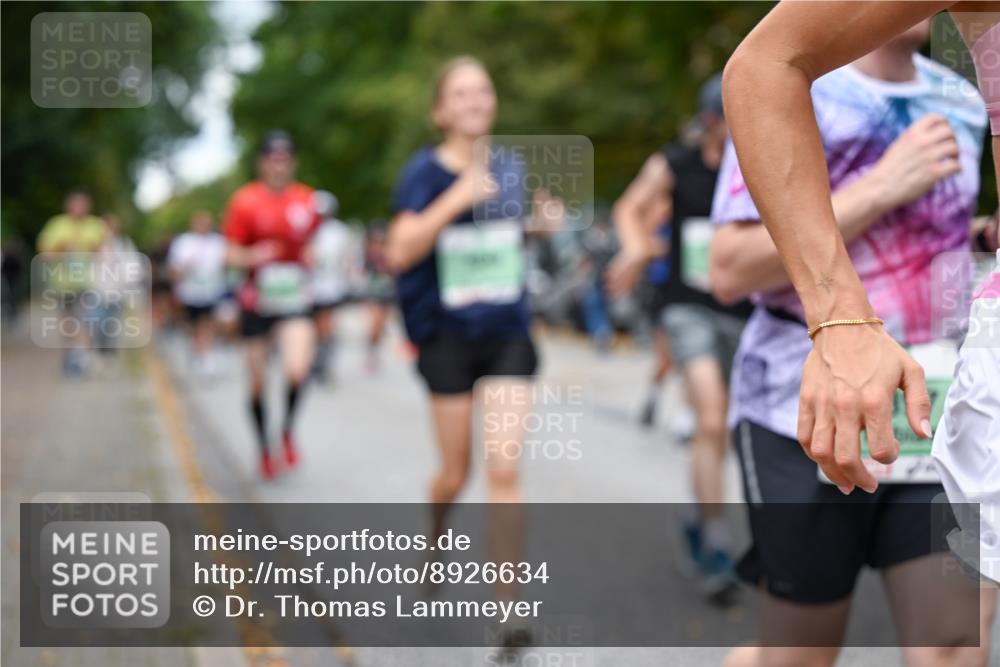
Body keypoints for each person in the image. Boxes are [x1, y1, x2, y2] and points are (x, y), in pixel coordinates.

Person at [721, 9, 996, 666]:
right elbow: (728, 268)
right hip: (808, 407)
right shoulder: (810, 89)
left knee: (953, 647)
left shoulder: (956, 95)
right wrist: (880, 188)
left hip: (929, 407)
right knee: (799, 656)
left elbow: (931, 244)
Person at [386, 56, 560, 651]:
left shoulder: (511, 168)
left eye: (482, 90)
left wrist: (540, 226)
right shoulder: (423, 172)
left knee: (504, 467)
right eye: (459, 93)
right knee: (455, 474)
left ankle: (507, 612)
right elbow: (401, 249)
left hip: (507, 330)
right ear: (440, 110)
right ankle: (435, 537)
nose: (473, 100)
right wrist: (456, 197)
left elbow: (502, 238)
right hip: (447, 337)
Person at [608, 75, 753, 601]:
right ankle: (717, 541)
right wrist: (634, 247)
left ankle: (695, 515)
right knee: (710, 416)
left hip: (742, 308)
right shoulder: (676, 163)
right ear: (712, 121)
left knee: (733, 425)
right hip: (687, 306)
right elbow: (629, 208)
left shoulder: (757, 166)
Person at [223, 130, 321, 479]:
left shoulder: (308, 199)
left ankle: (288, 430)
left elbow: (313, 244)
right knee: (258, 384)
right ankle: (265, 447)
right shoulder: (244, 201)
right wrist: (254, 255)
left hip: (294, 297)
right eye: (272, 159)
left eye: (285, 159)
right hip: (257, 301)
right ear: (261, 162)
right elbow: (230, 254)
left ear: (292, 161)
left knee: (297, 370)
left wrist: (313, 254)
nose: (278, 166)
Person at [36, 190, 106, 377]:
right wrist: (61, 250)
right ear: (68, 206)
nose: (79, 209)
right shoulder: (57, 225)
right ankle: (73, 355)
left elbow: (103, 251)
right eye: (76, 205)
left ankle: (82, 356)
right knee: (68, 320)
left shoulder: (95, 225)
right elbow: (44, 253)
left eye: (83, 205)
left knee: (85, 319)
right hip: (63, 284)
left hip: (88, 282)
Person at [168, 210, 228, 377]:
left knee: (207, 323)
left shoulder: (218, 242)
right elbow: (173, 269)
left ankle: (206, 357)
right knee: (195, 326)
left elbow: (227, 262)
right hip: (189, 293)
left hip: (212, 291)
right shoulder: (183, 242)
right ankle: (198, 352)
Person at [309, 192, 354, 384]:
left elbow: (347, 258)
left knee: (327, 325)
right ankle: (312, 360)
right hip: (309, 287)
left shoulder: (339, 232)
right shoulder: (306, 229)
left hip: (331, 286)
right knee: (311, 327)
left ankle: (324, 363)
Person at [362, 221, 395, 373]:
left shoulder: (390, 254)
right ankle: (371, 352)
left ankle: (375, 349)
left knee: (381, 324)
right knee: (374, 324)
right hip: (373, 293)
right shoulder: (368, 255)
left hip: (387, 294)